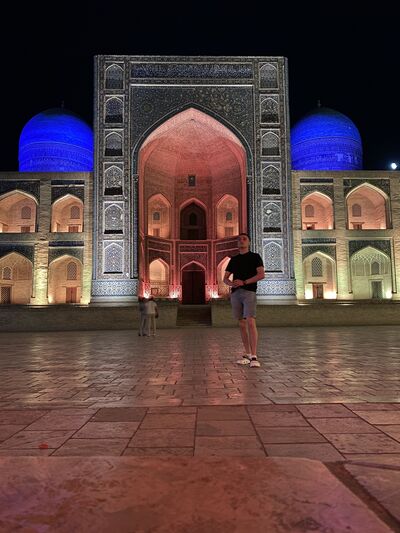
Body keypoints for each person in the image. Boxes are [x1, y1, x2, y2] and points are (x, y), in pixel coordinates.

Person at [223, 233, 265, 367]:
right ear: (237, 243)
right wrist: (232, 284)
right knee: (241, 323)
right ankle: (247, 354)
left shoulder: (255, 257)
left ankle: (254, 357)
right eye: (239, 239)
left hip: (249, 292)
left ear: (249, 242)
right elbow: (225, 278)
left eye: (244, 239)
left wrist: (244, 282)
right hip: (236, 294)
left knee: (251, 322)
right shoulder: (234, 260)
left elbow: (261, 275)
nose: (241, 241)